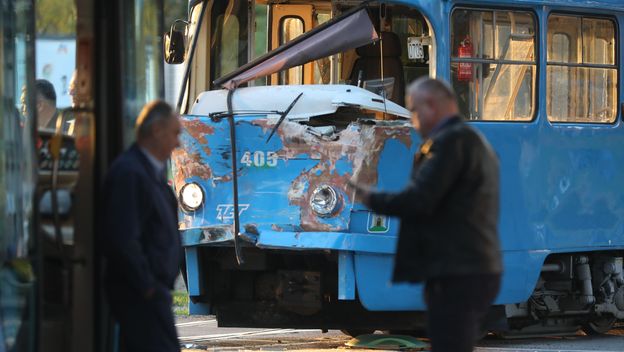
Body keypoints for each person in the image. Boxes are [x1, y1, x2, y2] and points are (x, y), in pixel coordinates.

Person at [349, 77, 502, 352]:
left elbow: (420, 199)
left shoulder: (449, 143)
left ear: (431, 106)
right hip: (470, 266)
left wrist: (369, 197)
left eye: (414, 110)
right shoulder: (470, 140)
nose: (413, 119)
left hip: (459, 269)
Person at [101, 100, 182, 352]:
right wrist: (147, 286)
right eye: (175, 133)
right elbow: (124, 237)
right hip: (141, 295)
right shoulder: (131, 173)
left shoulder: (147, 171)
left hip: (151, 292)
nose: (178, 143)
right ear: (157, 130)